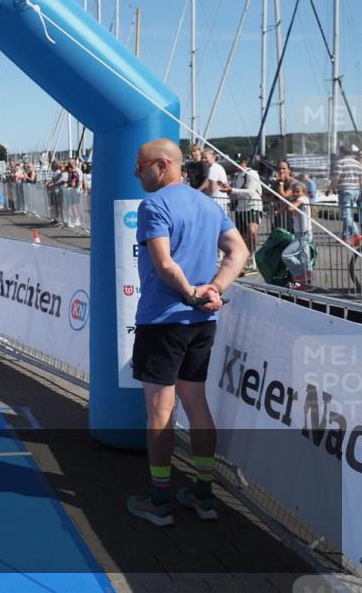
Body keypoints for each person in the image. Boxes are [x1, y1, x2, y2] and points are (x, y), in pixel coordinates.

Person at [127, 139, 248, 527]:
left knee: (161, 411)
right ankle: (203, 496)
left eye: (141, 166)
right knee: (196, 404)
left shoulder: (154, 205)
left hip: (164, 321)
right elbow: (239, 252)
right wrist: (215, 289)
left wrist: (195, 294)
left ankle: (159, 501)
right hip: (200, 324)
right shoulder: (208, 205)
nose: (136, 173)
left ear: (162, 165)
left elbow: (163, 264)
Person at [220, 156, 262, 267]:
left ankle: (252, 254)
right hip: (241, 208)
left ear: (245, 162)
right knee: (242, 236)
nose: (236, 165)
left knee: (252, 231)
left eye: (239, 162)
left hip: (253, 205)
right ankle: (244, 259)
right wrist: (228, 191)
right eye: (234, 162)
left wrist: (232, 190)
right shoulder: (237, 176)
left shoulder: (252, 173)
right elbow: (236, 193)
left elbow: (250, 191)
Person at [280, 181, 313, 289]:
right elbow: (287, 205)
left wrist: (288, 205)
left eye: (297, 192)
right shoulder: (295, 200)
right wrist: (280, 210)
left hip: (304, 234)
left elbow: (291, 208)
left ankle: (302, 274)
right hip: (299, 233)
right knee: (305, 257)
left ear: (303, 192)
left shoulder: (303, 199)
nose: (295, 194)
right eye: (293, 192)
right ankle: (305, 279)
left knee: (286, 255)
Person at [329, 145, 361, 239]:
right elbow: (360, 178)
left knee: (345, 214)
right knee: (348, 213)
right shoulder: (356, 163)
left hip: (345, 190)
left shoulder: (340, 162)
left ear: (341, 152)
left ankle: (356, 233)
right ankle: (345, 236)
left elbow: (336, 177)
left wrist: (332, 187)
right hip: (356, 190)